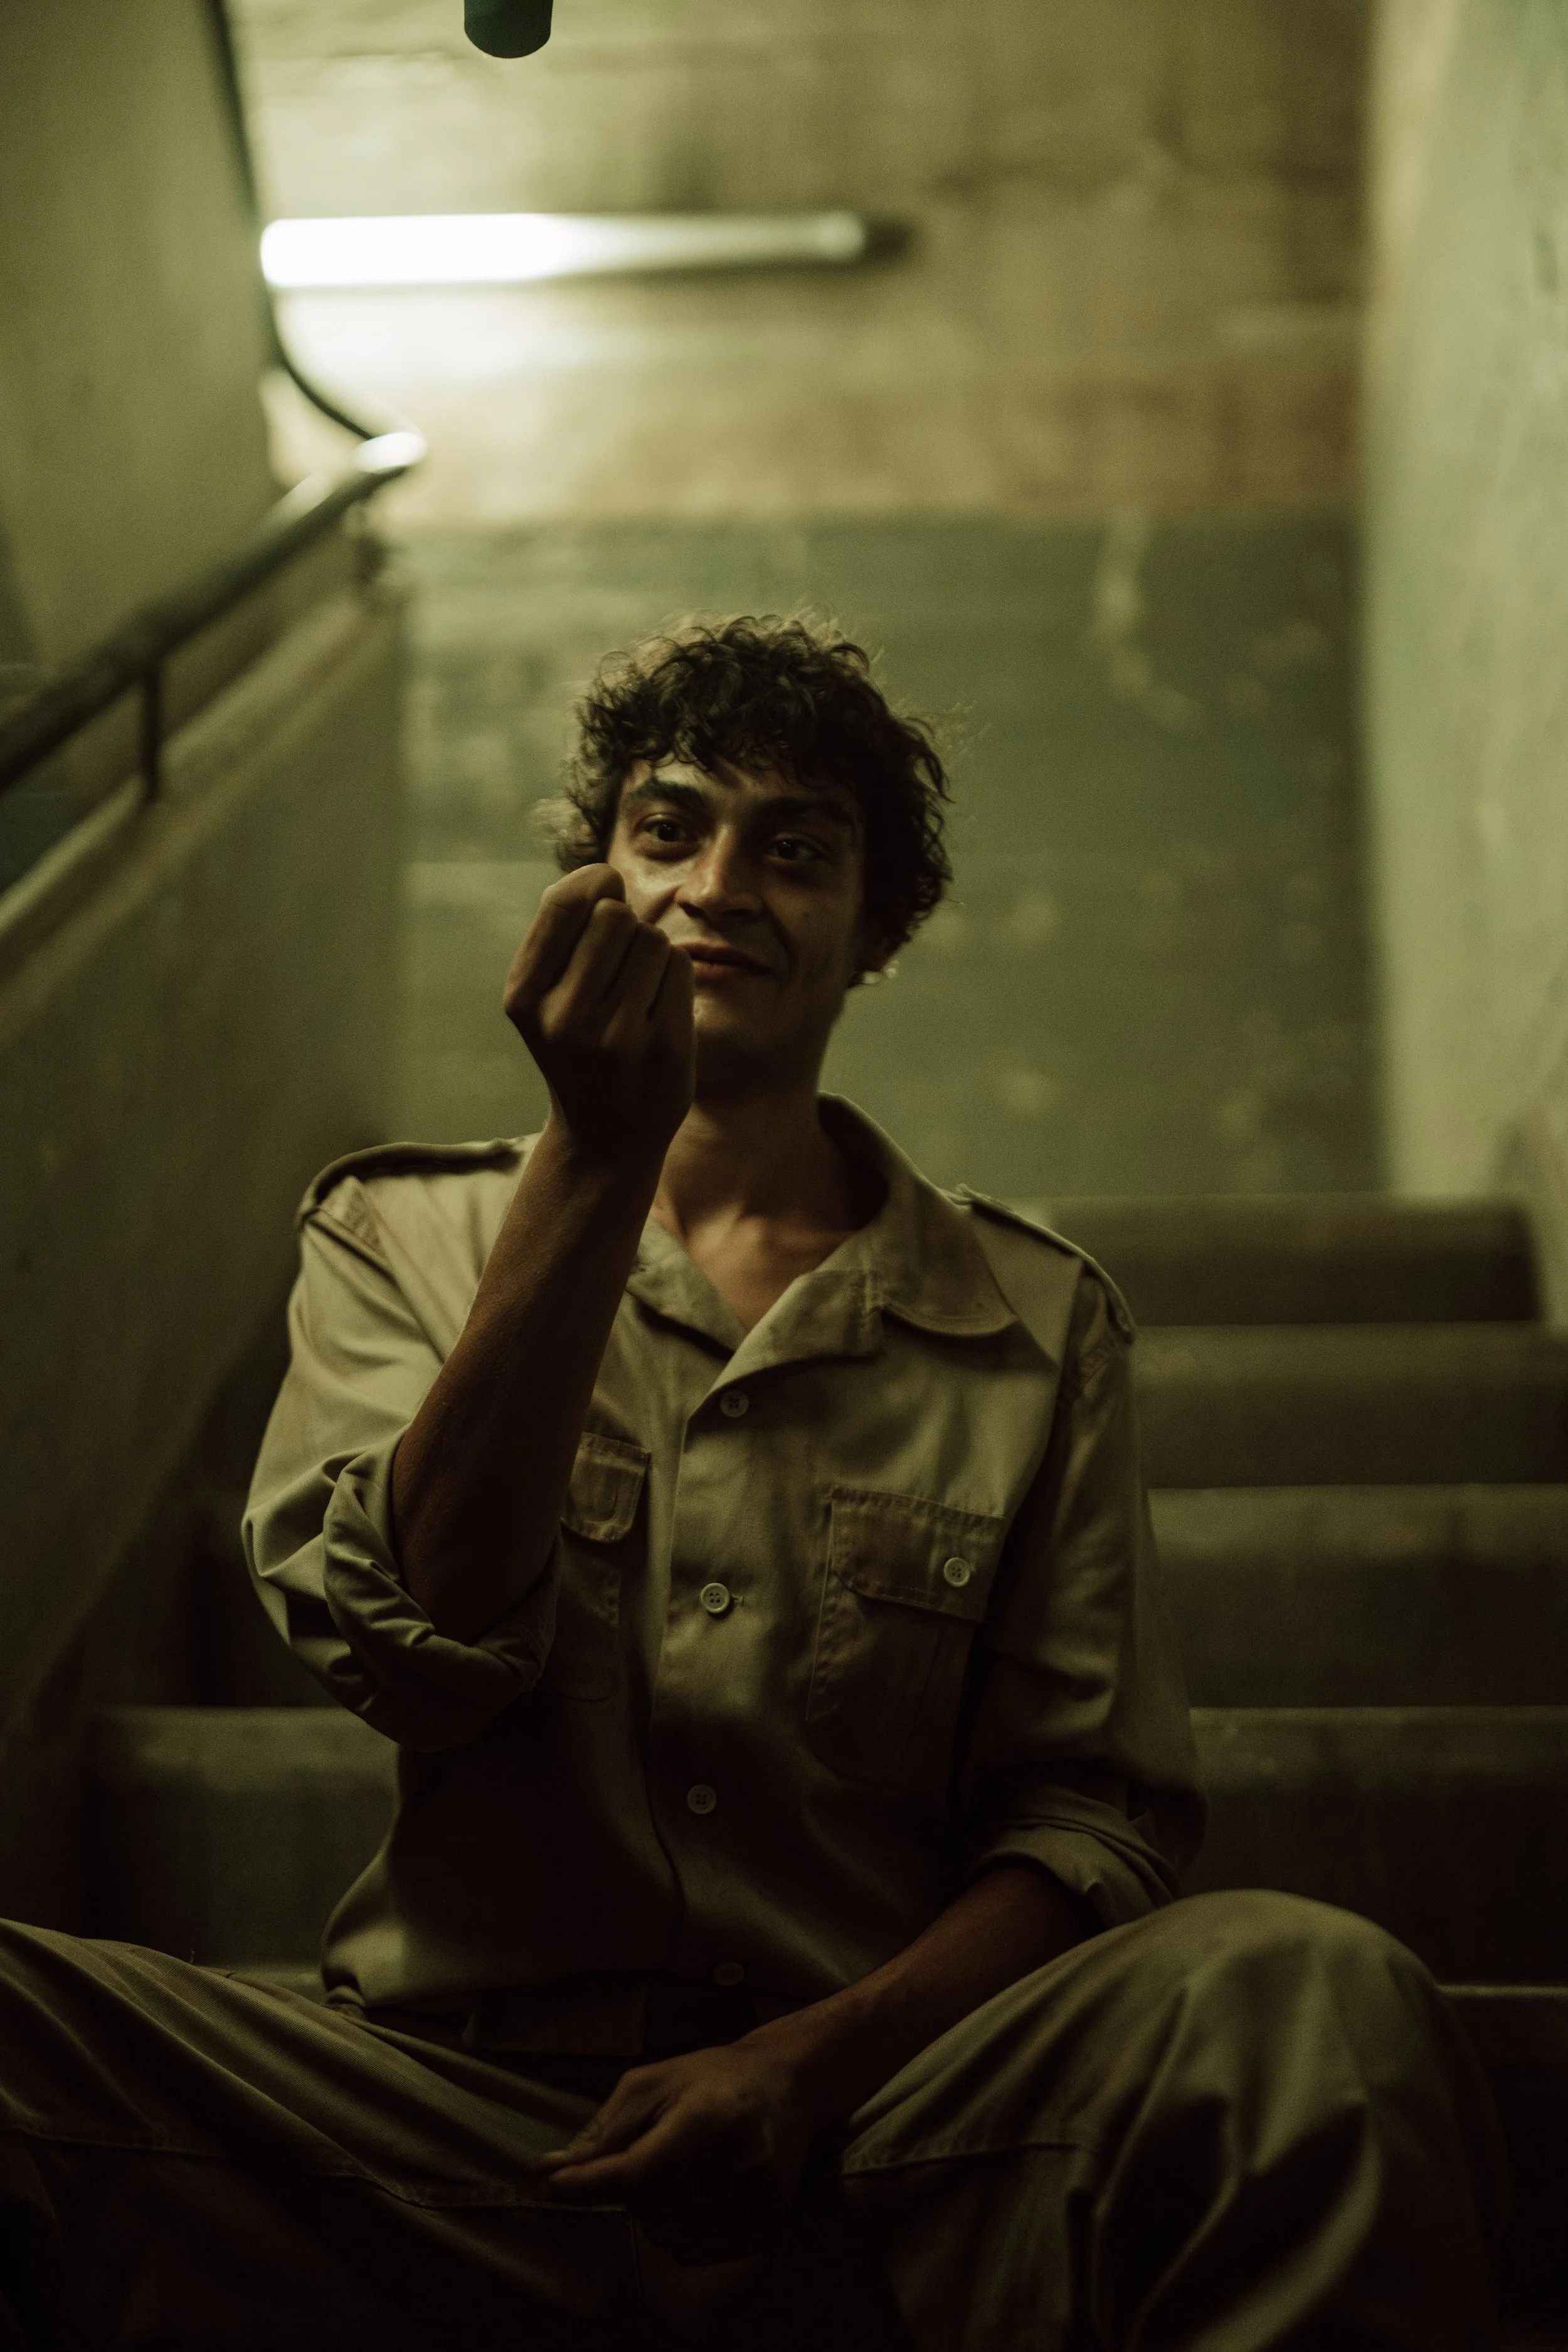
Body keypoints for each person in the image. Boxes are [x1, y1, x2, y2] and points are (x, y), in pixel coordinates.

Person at [0, 618, 1503, 2349]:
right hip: (450, 2129)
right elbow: (405, 1645)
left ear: (877, 929)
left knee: (1315, 1992)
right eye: (670, 829)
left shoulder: (1031, 1318)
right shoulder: (398, 1234)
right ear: (596, 876)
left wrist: (804, 2062)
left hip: (895, 2135)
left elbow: (1093, 1818)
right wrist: (595, 1149)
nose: (720, 885)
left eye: (793, 851)